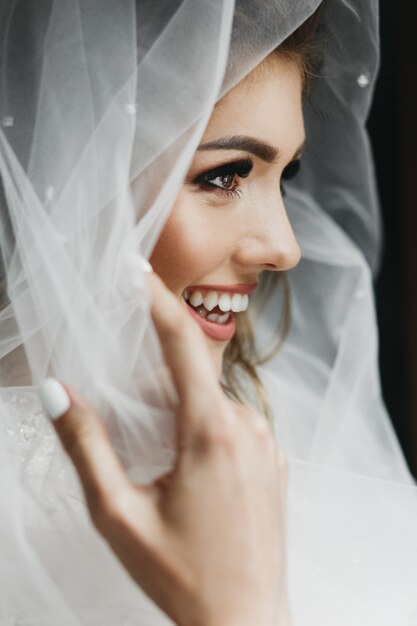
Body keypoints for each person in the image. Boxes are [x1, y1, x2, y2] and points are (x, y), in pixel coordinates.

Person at [2, 2, 417, 626]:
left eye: (287, 176)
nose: (286, 247)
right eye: (224, 176)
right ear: (69, 172)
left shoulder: (277, 425)